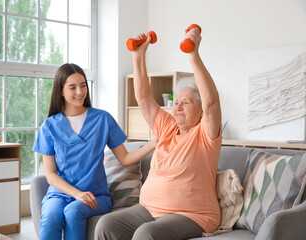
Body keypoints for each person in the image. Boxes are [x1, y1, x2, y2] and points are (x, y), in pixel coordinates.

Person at [95, 27, 222, 240]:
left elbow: (212, 103)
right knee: (106, 225)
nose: (178, 107)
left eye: (186, 102)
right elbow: (144, 98)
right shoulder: (167, 126)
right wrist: (138, 55)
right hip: (149, 209)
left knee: (146, 234)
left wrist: (193, 55)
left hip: (193, 215)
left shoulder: (205, 135)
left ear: (200, 112)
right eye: (177, 102)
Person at [32, 63, 157, 240]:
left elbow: (125, 158)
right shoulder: (50, 126)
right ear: (61, 91)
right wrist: (76, 194)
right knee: (51, 216)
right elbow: (50, 174)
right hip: (59, 194)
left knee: (73, 211)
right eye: (73, 87)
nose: (80, 92)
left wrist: (153, 144)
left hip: (96, 196)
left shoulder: (102, 119)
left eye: (83, 85)